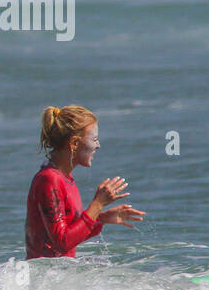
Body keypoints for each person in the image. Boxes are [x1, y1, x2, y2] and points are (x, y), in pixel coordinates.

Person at [25, 104, 145, 259]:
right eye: (94, 139)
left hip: (56, 276)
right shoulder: (50, 180)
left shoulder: (64, 178)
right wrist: (98, 204)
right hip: (44, 279)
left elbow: (69, 237)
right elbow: (62, 243)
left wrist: (100, 218)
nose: (98, 145)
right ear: (74, 143)